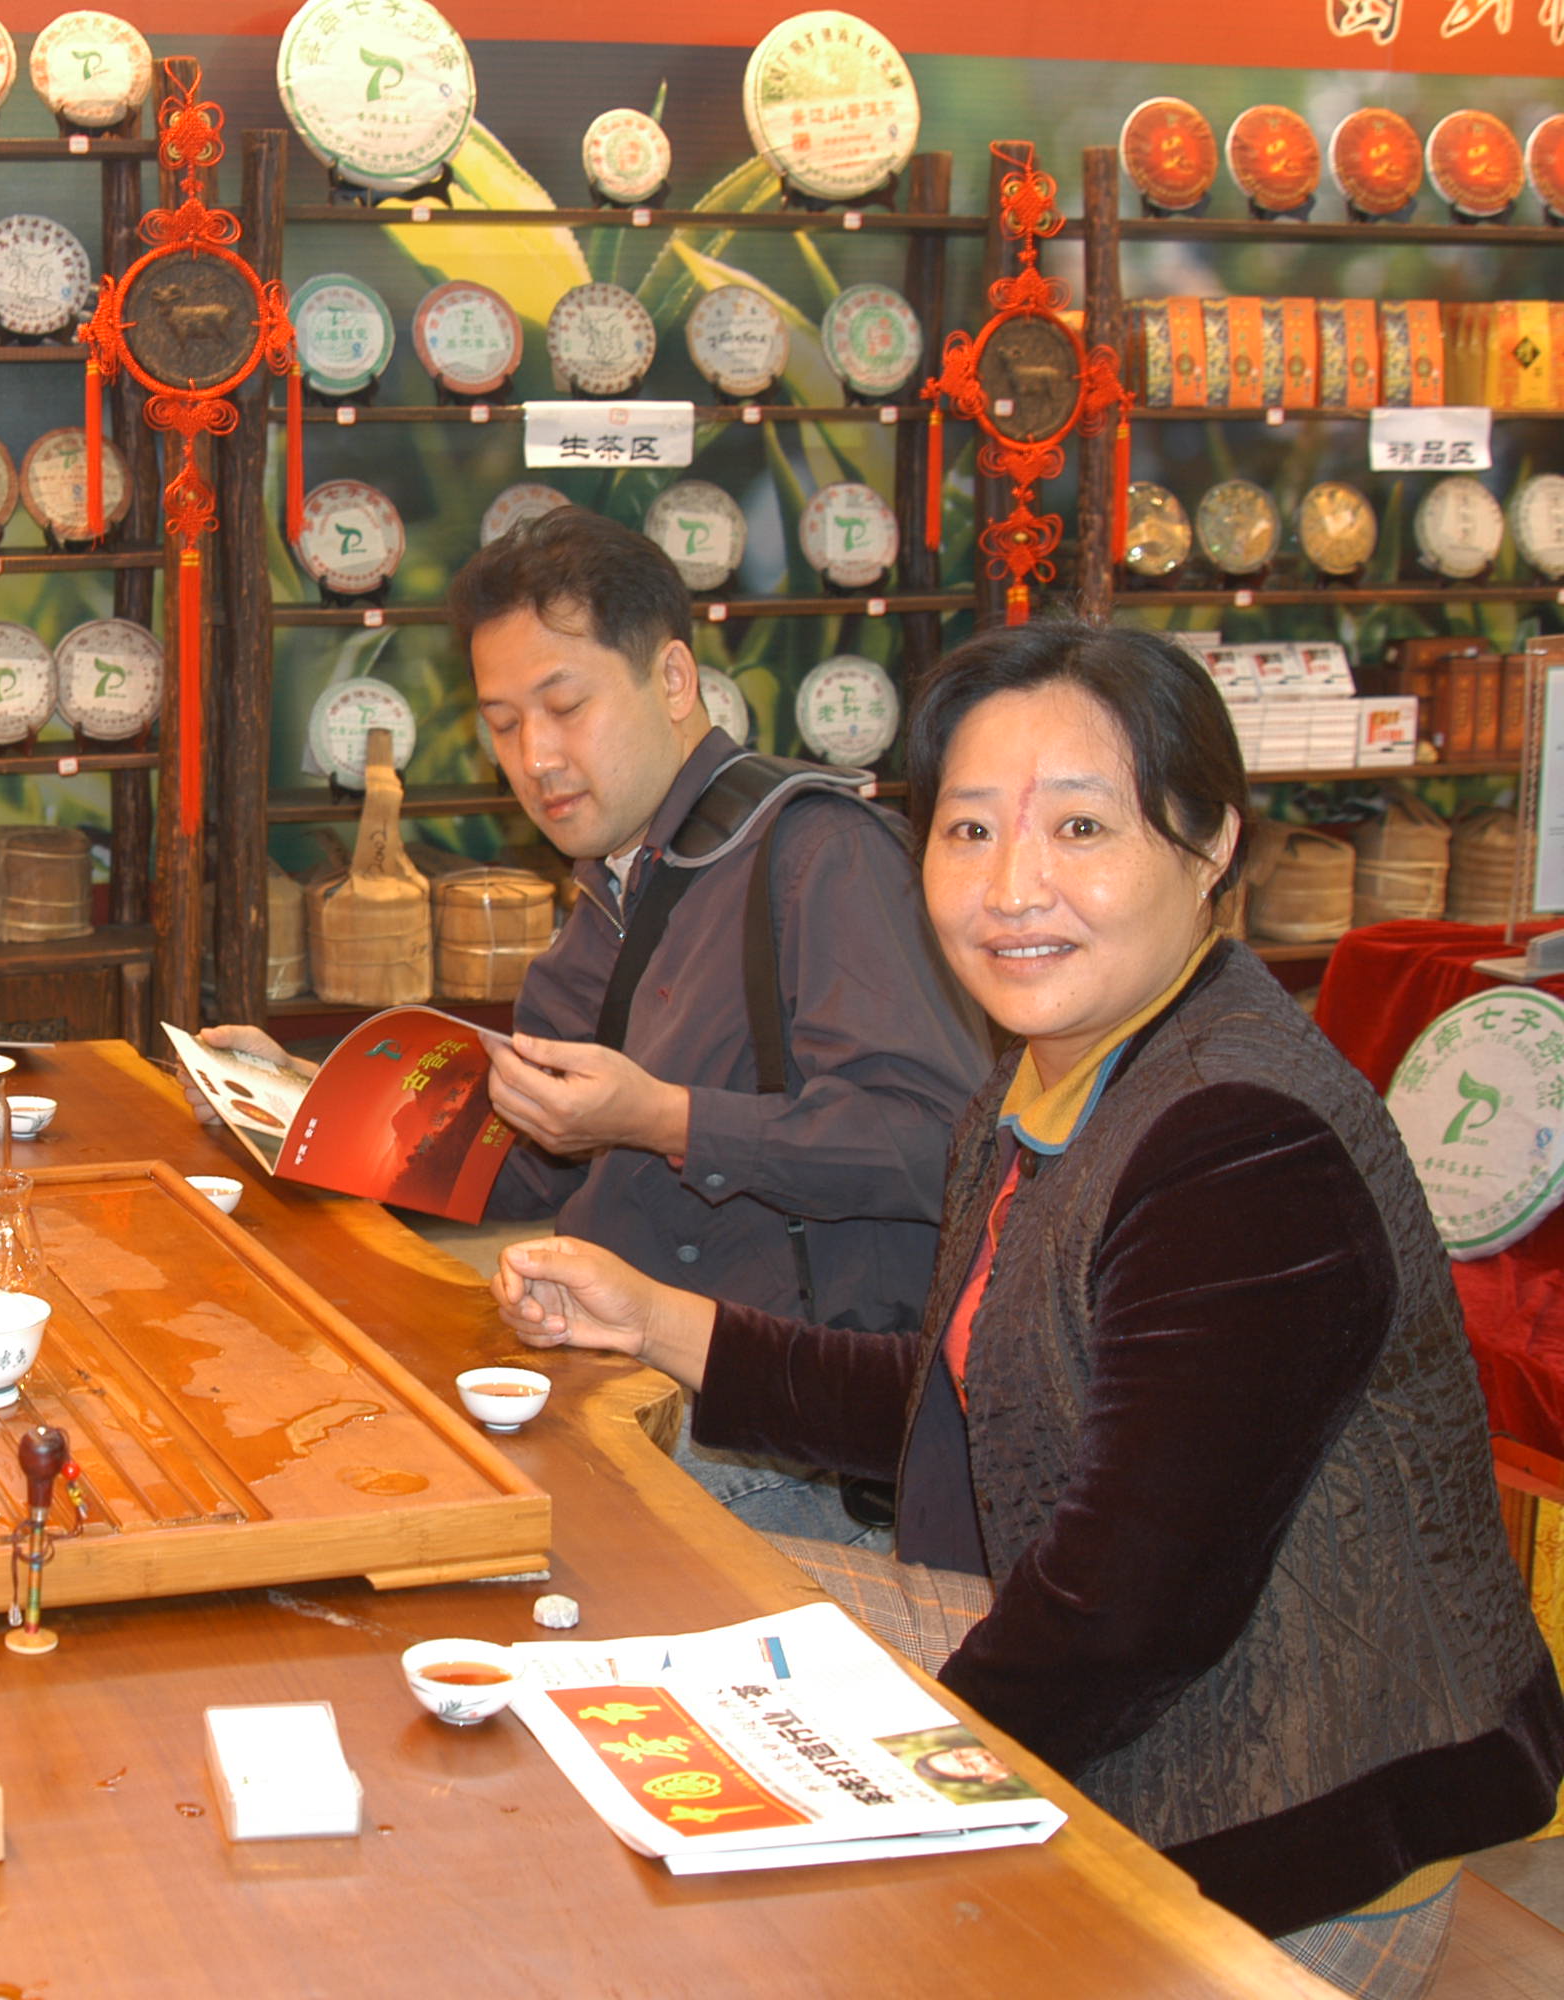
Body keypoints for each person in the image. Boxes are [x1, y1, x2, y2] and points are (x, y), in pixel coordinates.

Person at [496, 619, 1564, 1996]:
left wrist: (888, 1802)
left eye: (1079, 828)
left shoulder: (1241, 1142)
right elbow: (974, 1396)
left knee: (725, 1886)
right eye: (967, 831)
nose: (1010, 889)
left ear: (1210, 843)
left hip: (1270, 1835)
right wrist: (652, 1321)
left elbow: (1125, 1618)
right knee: (614, 1614)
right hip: (1126, 1703)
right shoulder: (1066, 1070)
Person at [203, 508, 986, 1543]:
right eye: (501, 723)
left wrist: (664, 1118)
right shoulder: (618, 882)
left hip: (777, 1449)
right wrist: (300, 1100)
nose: (536, 756)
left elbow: (937, 1147)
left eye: (565, 706)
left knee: (406, 1527)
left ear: (674, 679)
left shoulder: (818, 856)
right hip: (616, 1380)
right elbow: (529, 1162)